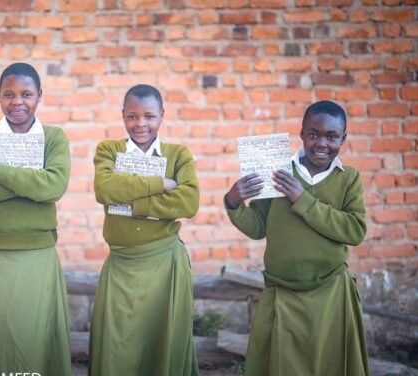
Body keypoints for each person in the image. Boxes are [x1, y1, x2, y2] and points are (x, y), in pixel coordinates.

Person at [224, 100, 369, 376]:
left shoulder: (348, 178)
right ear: (301, 134)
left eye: (332, 137)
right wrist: (233, 201)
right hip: (283, 291)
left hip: (330, 290)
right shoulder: (278, 172)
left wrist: (302, 199)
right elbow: (258, 227)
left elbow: (354, 230)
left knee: (330, 364)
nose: (321, 144)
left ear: (343, 139)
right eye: (313, 134)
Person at [0, 62, 72, 375]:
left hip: (37, 252)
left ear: (39, 96)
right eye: (9, 94)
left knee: (33, 338)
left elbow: (54, 186)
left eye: (26, 94)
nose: (17, 101)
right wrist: (29, 184)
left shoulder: (54, 138)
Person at [90, 84, 200, 376]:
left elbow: (188, 202)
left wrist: (132, 203)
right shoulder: (109, 150)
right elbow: (105, 189)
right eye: (132, 116)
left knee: (162, 343)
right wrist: (159, 184)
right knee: (117, 345)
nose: (141, 124)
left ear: (162, 116)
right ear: (122, 116)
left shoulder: (178, 155)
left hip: (165, 264)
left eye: (149, 116)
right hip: (122, 263)